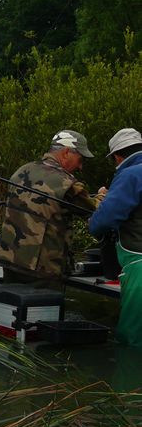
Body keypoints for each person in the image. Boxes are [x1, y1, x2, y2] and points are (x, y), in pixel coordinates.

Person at [0, 130, 103, 288]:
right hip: (42, 269)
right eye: (80, 159)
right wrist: (102, 196)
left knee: (13, 308)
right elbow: (95, 210)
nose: (80, 166)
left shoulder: (21, 171)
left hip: (11, 261)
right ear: (66, 152)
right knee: (43, 312)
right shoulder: (67, 183)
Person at [89, 128, 142, 348]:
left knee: (132, 338)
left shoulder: (130, 174)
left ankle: (128, 382)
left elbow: (103, 221)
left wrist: (103, 200)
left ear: (117, 156)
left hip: (139, 265)